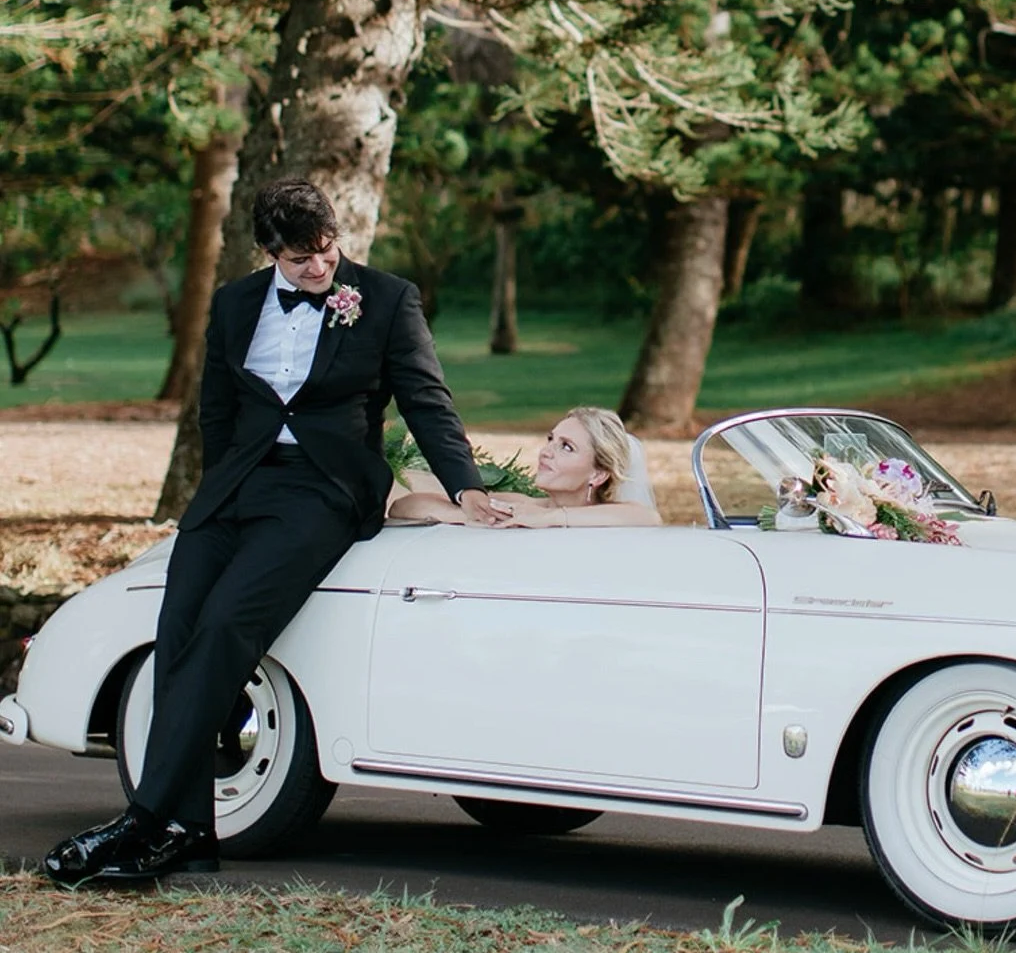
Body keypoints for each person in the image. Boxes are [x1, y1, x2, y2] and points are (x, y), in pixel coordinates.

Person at [45, 178, 500, 887]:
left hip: (321, 493)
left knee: (229, 626)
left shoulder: (385, 299)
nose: (318, 269)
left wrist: (466, 485)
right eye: (299, 261)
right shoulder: (232, 305)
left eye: (325, 252)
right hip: (234, 488)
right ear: (268, 254)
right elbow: (216, 410)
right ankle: (188, 832)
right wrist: (220, 482)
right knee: (181, 633)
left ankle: (145, 821)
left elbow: (425, 399)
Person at [390, 406, 660, 529]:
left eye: (567, 447)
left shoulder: (617, 516)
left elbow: (649, 518)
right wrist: (468, 515)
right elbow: (404, 507)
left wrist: (551, 519)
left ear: (598, 474)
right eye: (551, 440)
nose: (546, 452)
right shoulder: (522, 505)